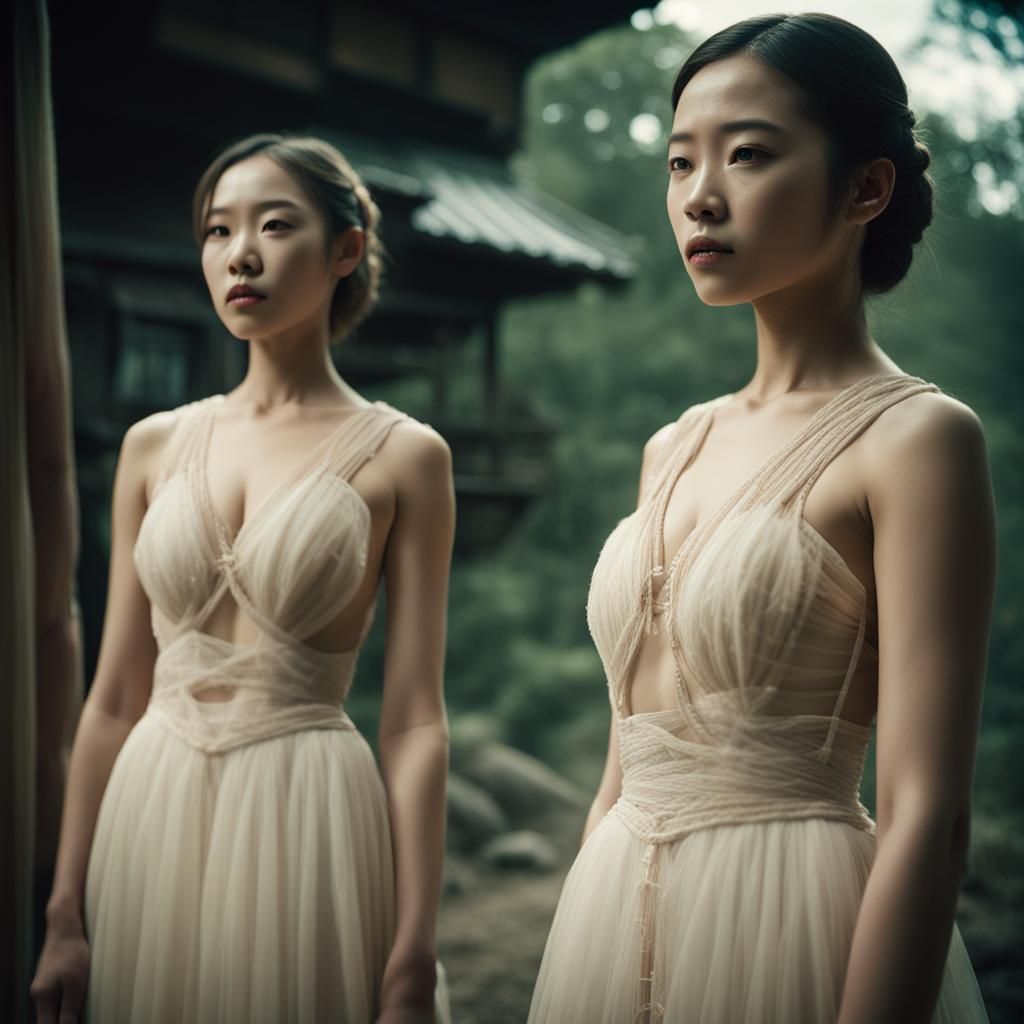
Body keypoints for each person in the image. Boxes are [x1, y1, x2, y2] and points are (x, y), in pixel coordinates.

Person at [528, 13, 995, 1024]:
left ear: (864, 188)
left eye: (747, 156)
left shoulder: (915, 441)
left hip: (792, 921)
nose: (699, 196)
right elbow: (625, 757)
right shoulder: (673, 444)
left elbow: (926, 812)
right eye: (679, 162)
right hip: (612, 908)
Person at [30, 133, 455, 1024]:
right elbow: (112, 698)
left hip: (308, 810)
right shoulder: (153, 446)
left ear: (345, 250)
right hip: (151, 806)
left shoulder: (407, 457)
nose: (241, 255)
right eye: (218, 232)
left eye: (274, 225)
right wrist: (63, 912)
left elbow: (414, 718)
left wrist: (415, 946)